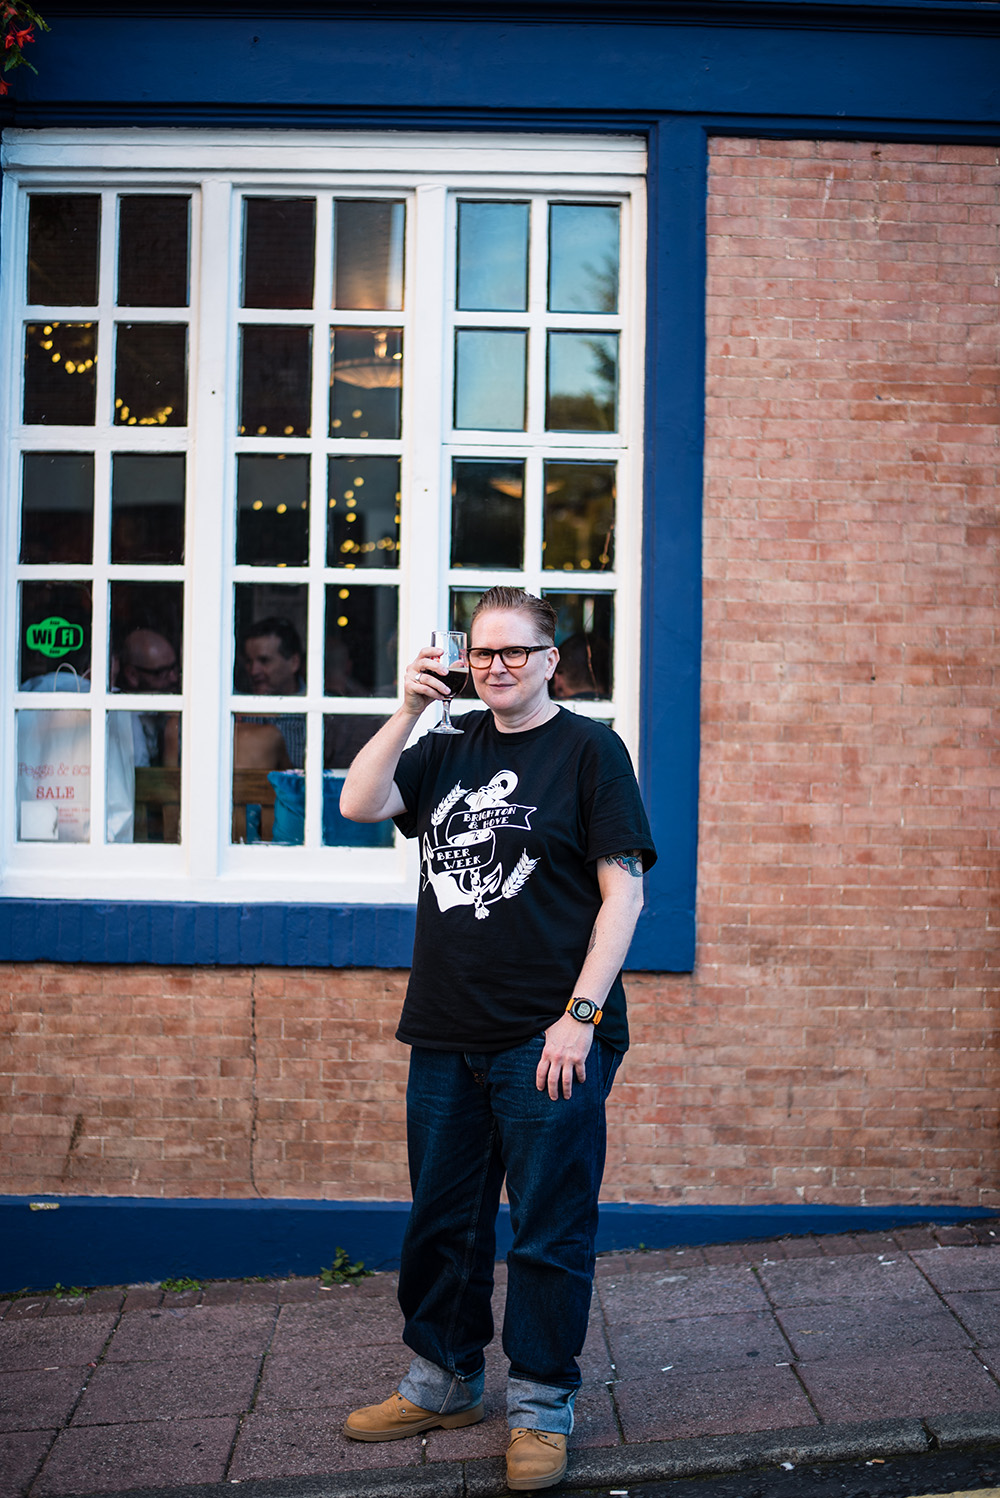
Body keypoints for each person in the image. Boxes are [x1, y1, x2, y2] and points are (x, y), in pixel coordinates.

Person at [338, 586, 656, 1491]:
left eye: (515, 653)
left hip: (547, 1035)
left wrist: (581, 1020)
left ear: (551, 660)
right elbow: (361, 805)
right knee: (444, 1221)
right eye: (482, 653)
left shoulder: (591, 750)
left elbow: (623, 894)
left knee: (550, 1229)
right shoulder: (445, 748)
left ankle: (542, 1405)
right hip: (446, 1027)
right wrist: (407, 708)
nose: (497, 668)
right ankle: (443, 1380)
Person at [239, 616, 306, 767]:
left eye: (264, 661)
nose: (254, 671)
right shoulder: (237, 707)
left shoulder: (325, 713)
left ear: (294, 663)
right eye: (249, 662)